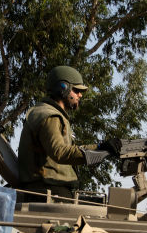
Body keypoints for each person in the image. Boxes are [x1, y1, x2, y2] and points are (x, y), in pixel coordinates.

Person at [16, 65, 111, 201]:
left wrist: (103, 149)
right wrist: (100, 148)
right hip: (48, 191)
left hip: (50, 190)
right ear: (63, 88)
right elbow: (59, 152)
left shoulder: (49, 113)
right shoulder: (50, 116)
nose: (80, 95)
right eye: (76, 90)